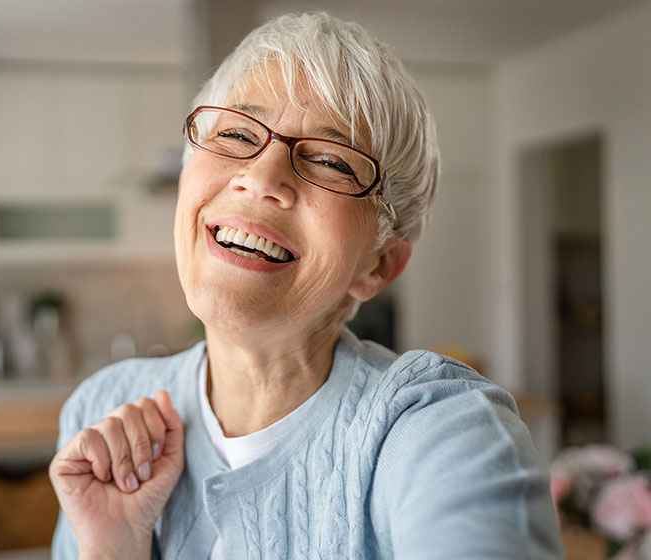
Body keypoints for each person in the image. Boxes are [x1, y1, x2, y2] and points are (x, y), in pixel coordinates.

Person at [49, 12, 562, 559]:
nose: (262, 177)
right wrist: (112, 548)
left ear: (380, 266)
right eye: (237, 133)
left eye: (329, 160)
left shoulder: (442, 428)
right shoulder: (102, 410)